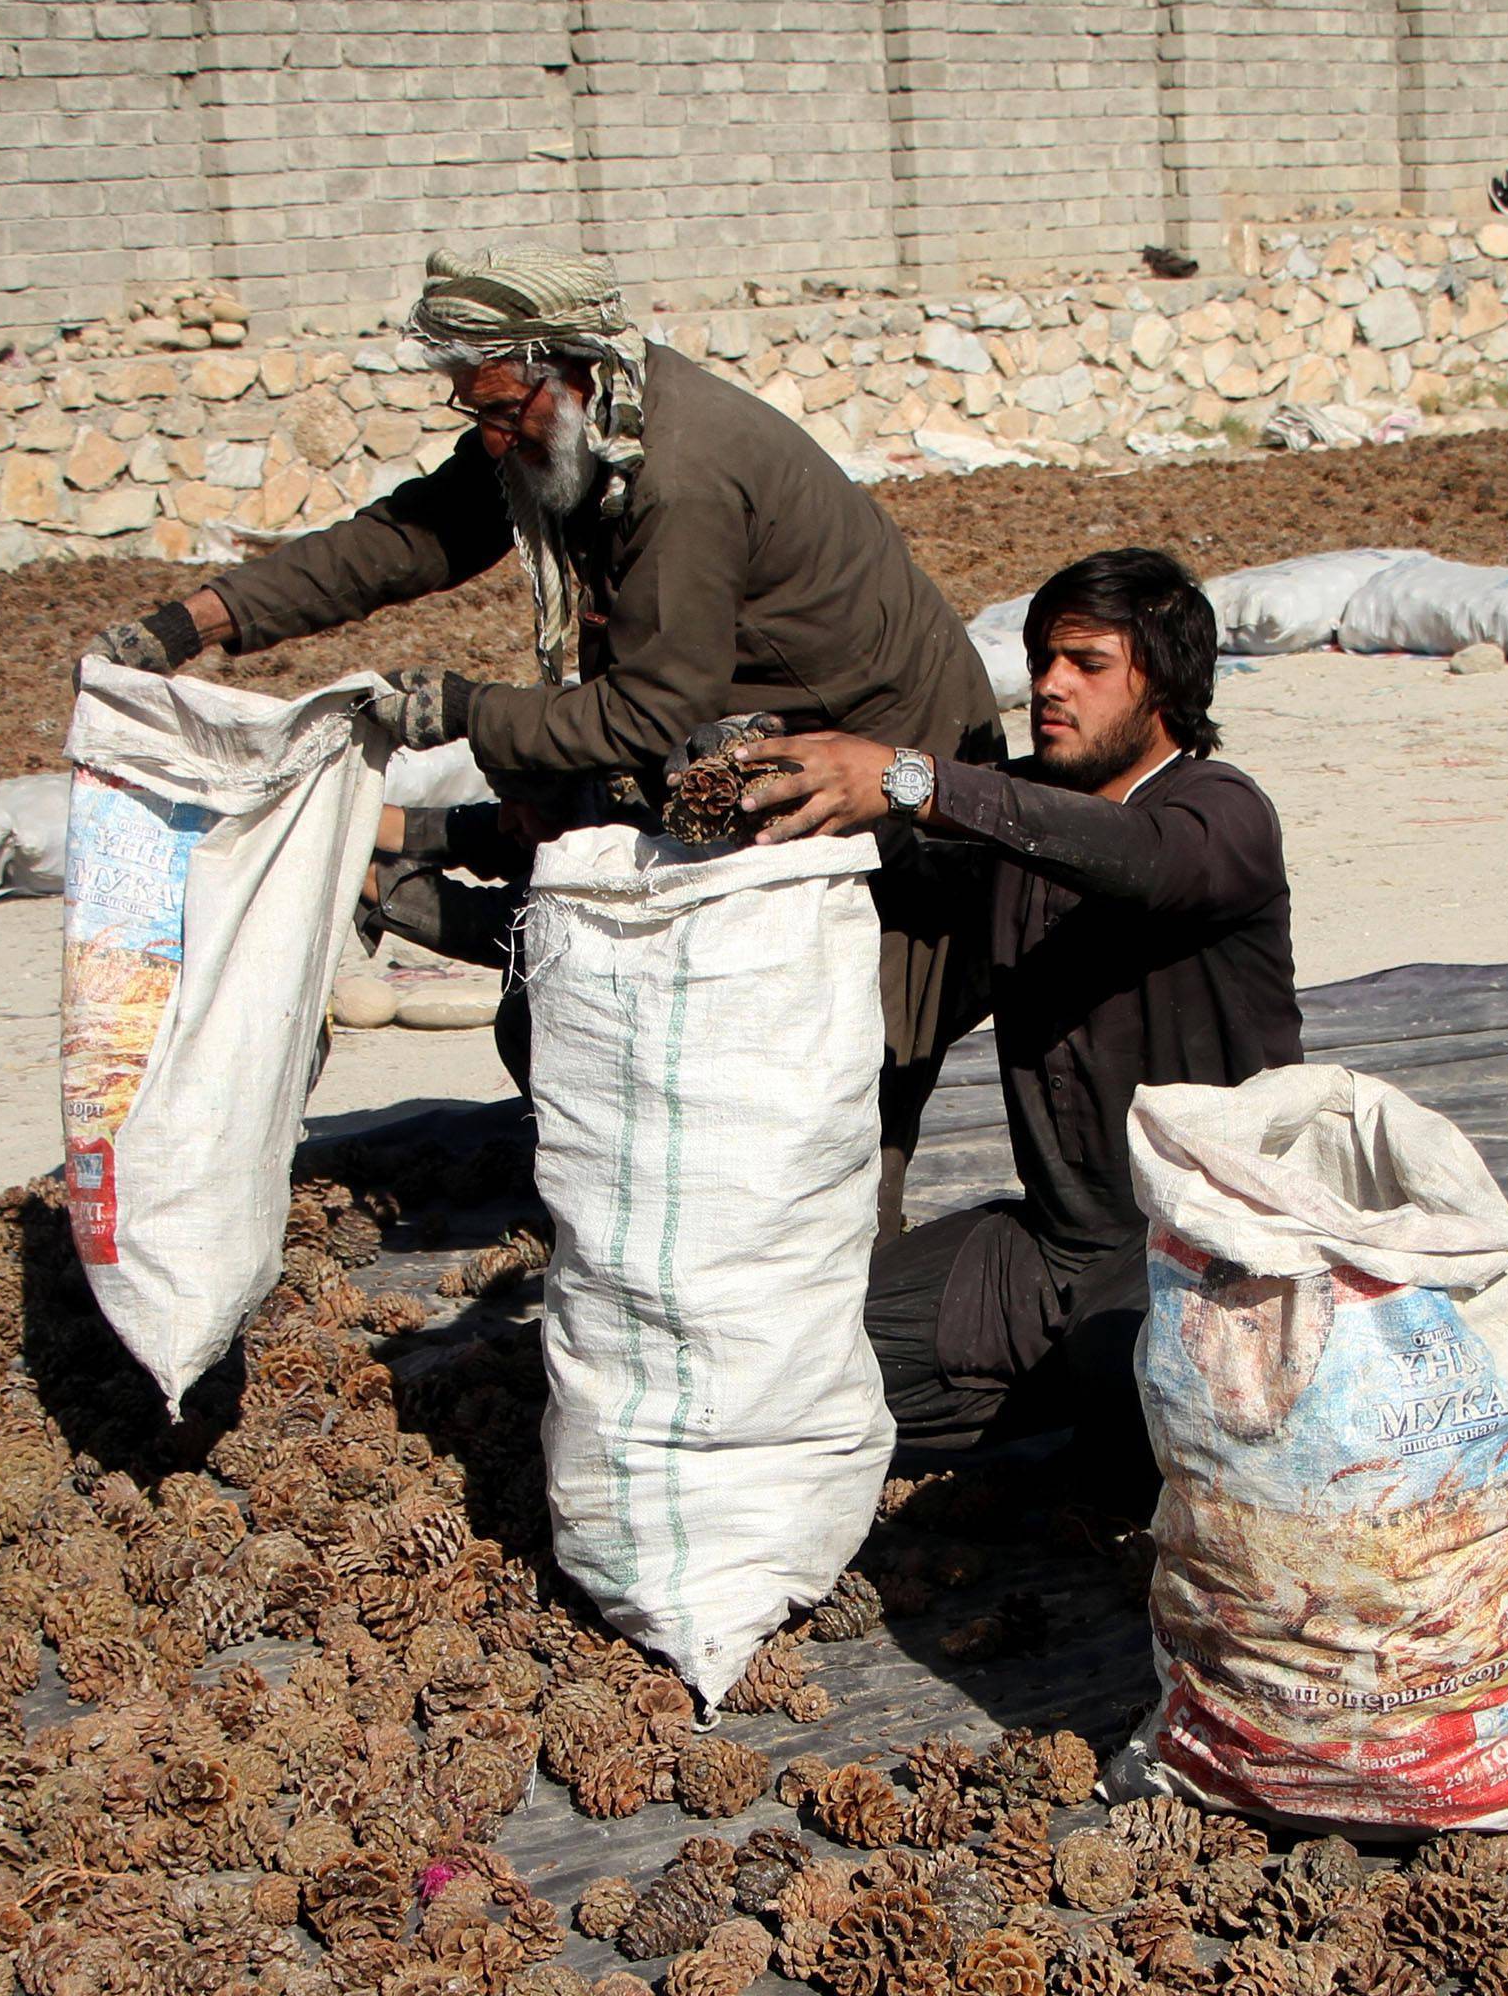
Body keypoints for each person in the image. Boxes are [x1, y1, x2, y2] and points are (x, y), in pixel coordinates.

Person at [87, 245, 999, 1209]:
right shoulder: (561, 431)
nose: (486, 437)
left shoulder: (679, 479)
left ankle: (852, 1303)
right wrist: (190, 624)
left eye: (498, 408)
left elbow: (652, 709)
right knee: (587, 986)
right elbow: (406, 538)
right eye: (469, 408)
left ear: (576, 372)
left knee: (832, 1096)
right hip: (733, 751)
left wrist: (467, 711)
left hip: (883, 774)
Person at [735, 547, 1301, 1500]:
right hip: (1054, 1250)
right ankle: (1086, 1410)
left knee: (1145, 1366)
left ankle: (1119, 1420)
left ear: (1160, 683)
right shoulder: (1018, 830)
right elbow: (910, 883)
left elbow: (1137, 861)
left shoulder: (1219, 813)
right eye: (1041, 659)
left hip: (1209, 1255)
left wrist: (919, 781)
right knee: (813, 1363)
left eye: (1086, 664)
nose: (1048, 685)